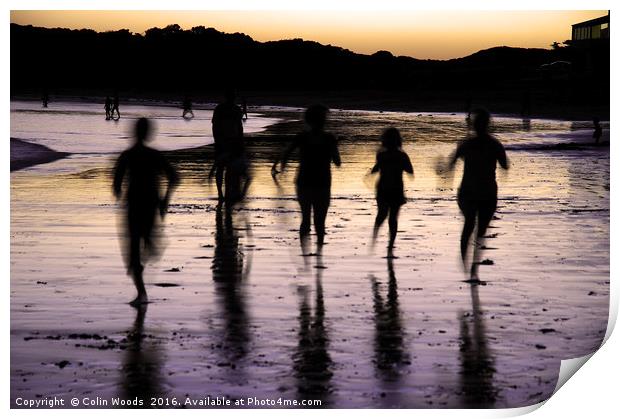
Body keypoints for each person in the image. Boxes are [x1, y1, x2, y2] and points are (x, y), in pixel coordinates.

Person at [113, 118, 179, 306]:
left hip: (135, 205)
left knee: (134, 252)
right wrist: (165, 200)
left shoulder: (127, 156)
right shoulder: (154, 155)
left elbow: (116, 185)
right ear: (149, 133)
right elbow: (174, 177)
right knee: (140, 247)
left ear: (134, 132)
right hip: (150, 204)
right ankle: (150, 247)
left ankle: (141, 292)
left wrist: (118, 191)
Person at [444, 109, 508, 282]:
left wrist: (445, 176)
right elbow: (505, 166)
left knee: (469, 224)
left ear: (474, 125)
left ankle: (466, 263)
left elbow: (449, 165)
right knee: (479, 230)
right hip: (486, 192)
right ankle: (472, 266)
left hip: (469, 191)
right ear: (488, 125)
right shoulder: (494, 144)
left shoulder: (466, 144)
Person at [273, 104, 341, 255]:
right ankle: (319, 255)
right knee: (320, 222)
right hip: (322, 182)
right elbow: (337, 162)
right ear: (323, 120)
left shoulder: (302, 137)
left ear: (308, 120)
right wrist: (334, 146)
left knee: (305, 219)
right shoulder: (328, 138)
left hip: (304, 181)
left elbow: (286, 154)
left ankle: (305, 255)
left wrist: (282, 169)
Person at [370, 128, 413, 254]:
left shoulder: (381, 155)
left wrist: (375, 170)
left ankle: (375, 235)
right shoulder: (402, 155)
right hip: (396, 189)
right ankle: (390, 246)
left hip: (382, 188)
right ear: (399, 141)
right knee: (393, 218)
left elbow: (375, 169)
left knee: (382, 214)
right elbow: (410, 171)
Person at [211, 88, 244, 203]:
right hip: (228, 142)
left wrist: (217, 140)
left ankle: (222, 193)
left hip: (227, 142)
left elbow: (215, 126)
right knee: (225, 169)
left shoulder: (223, 109)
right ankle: (222, 193)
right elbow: (239, 128)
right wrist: (240, 142)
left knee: (223, 168)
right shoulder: (232, 109)